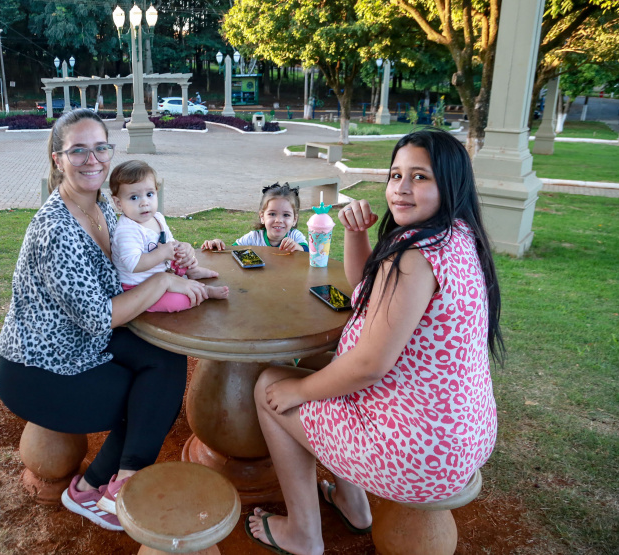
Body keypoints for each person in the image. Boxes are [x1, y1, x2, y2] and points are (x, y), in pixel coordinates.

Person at [245, 128, 503, 555]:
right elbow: (370, 293)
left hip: (416, 453)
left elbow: (368, 366)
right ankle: (352, 501)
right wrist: (356, 233)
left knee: (270, 388)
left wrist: (295, 391)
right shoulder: (457, 236)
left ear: (450, 183)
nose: (401, 188)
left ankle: (304, 534)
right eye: (396, 174)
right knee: (320, 374)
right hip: (460, 438)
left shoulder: (413, 256)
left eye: (420, 177)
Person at [0, 109, 209, 532]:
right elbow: (99, 316)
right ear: (58, 159)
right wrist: (165, 279)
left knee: (165, 362)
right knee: (146, 397)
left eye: (100, 148)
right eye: (78, 150)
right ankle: (117, 489)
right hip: (42, 367)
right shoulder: (55, 228)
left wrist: (179, 258)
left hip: (82, 343)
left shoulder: (105, 210)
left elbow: (133, 267)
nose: (92, 159)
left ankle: (97, 485)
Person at [110, 160, 228, 313]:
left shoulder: (158, 218)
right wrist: (162, 253)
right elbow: (133, 264)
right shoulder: (127, 230)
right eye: (134, 197)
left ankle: (190, 272)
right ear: (118, 203)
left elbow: (170, 244)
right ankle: (204, 292)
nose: (144, 202)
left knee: (183, 257)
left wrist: (181, 247)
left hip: (164, 273)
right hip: (139, 287)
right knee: (180, 301)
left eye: (149, 194)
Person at [202, 183, 309, 253]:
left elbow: (309, 254)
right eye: (272, 214)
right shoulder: (253, 238)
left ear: (294, 219)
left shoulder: (295, 236)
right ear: (262, 217)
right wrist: (217, 244)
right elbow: (232, 251)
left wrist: (297, 247)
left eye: (286, 215)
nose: (279, 220)